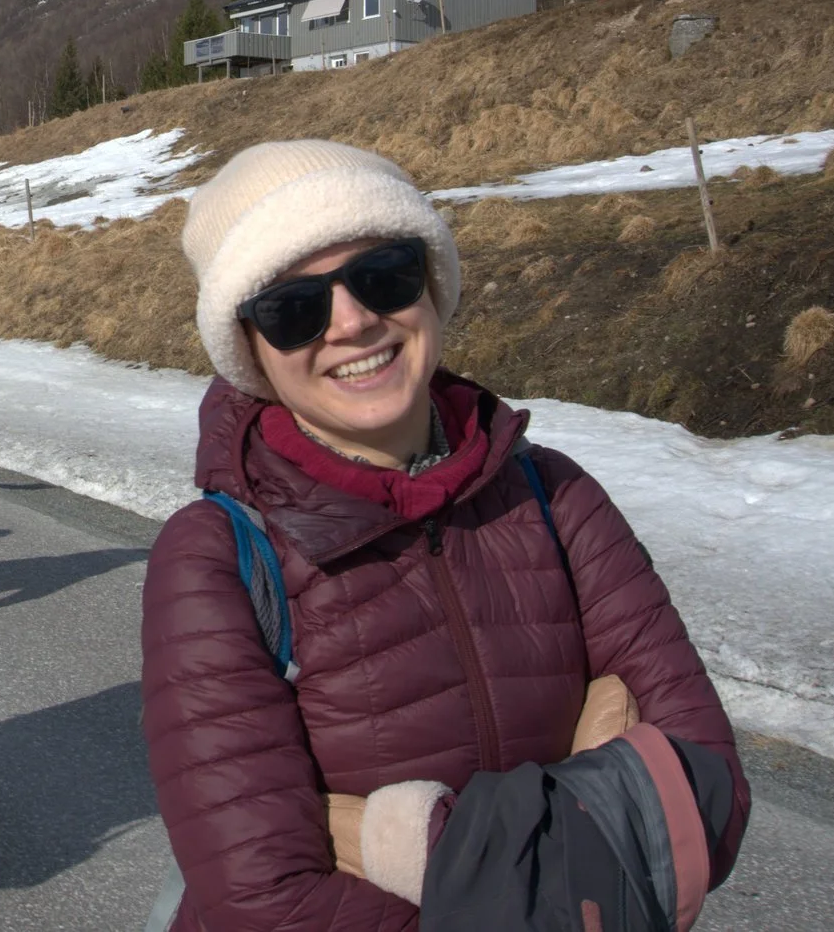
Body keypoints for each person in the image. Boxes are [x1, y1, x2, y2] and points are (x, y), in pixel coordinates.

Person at [141, 141, 747, 930]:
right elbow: (265, 902)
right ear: (251, 349)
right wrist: (592, 820)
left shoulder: (553, 495)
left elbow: (704, 795)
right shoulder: (217, 558)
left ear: (430, 286)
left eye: (382, 274)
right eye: (294, 308)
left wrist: (404, 843)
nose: (354, 321)